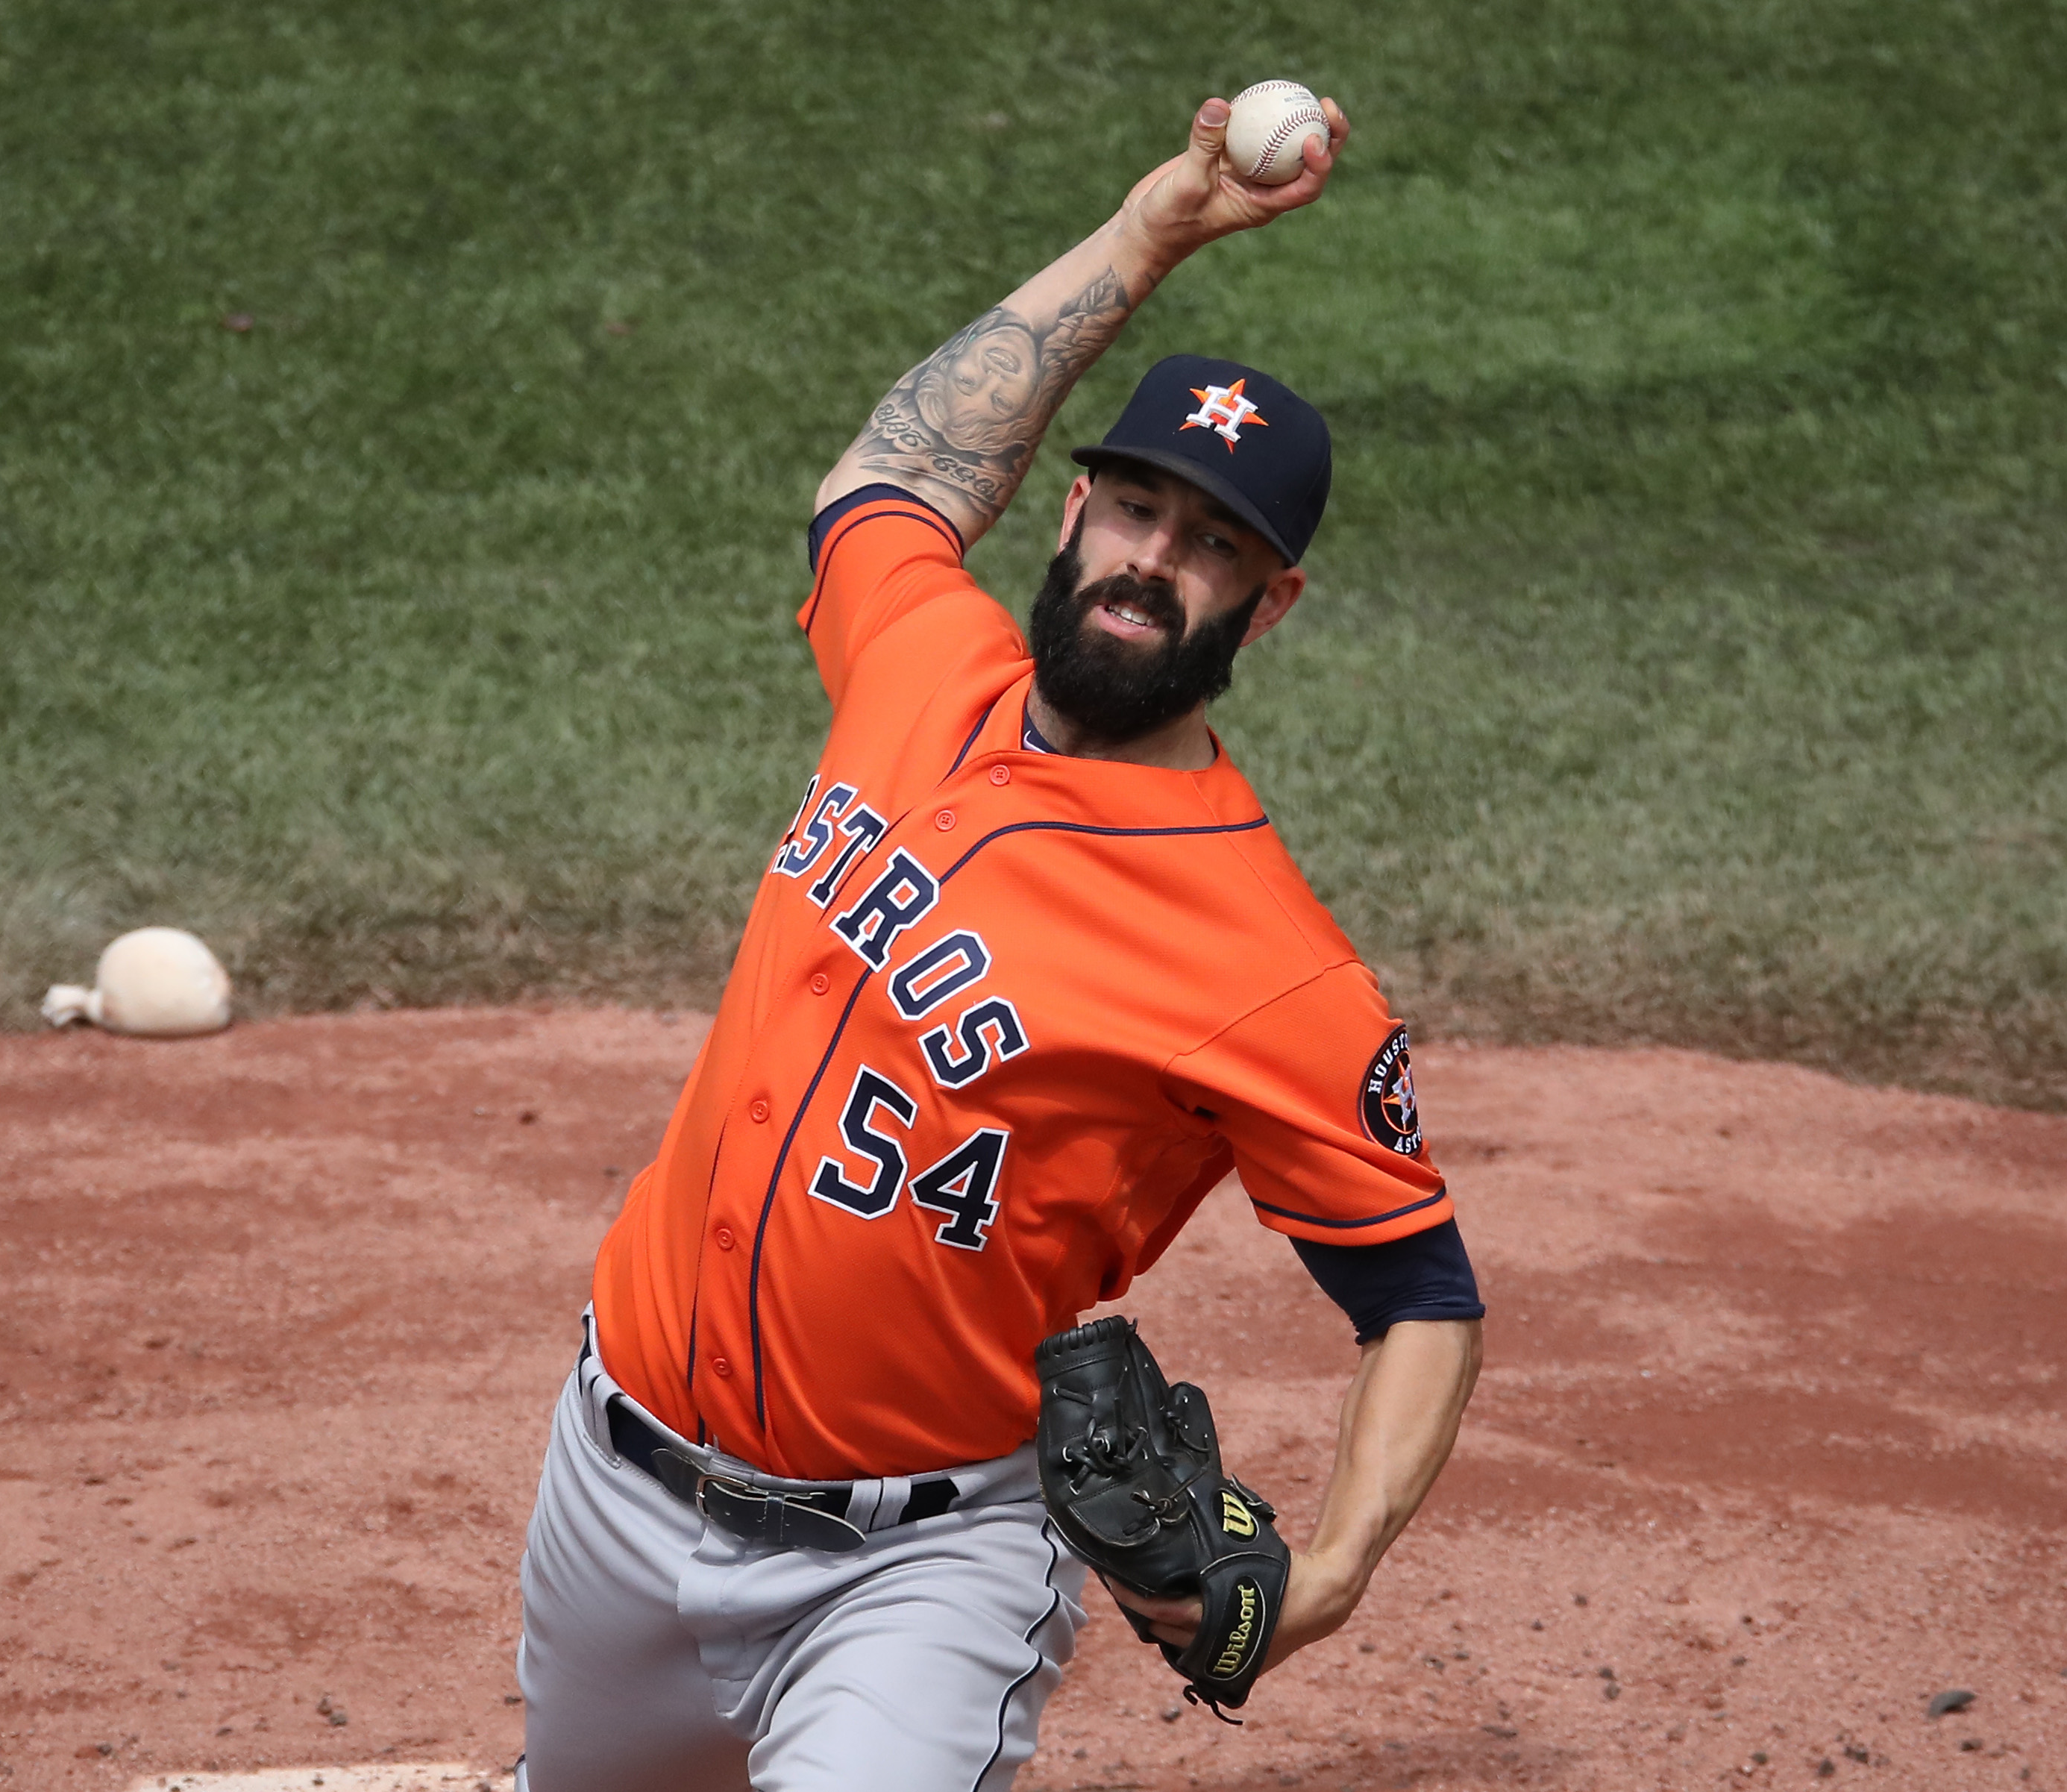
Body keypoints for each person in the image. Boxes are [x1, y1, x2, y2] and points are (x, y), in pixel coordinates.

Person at [515, 92, 1484, 1792]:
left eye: (1213, 548)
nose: (1151, 563)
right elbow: (895, 467)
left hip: (920, 1564)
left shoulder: (1270, 964)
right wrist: (1150, 232)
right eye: (1134, 508)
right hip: (609, 1481)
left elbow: (1419, 1290)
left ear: (1271, 605)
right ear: (1070, 513)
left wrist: (1328, 1570)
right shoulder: (922, 664)